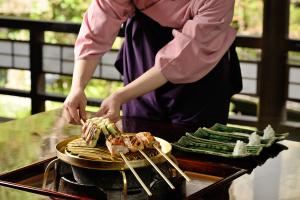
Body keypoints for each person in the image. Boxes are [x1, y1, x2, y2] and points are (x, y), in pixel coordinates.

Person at [63, 0, 242, 127]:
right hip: (143, 58)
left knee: (196, 158)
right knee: (138, 145)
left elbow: (178, 58)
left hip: (201, 72)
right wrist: (77, 87)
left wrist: (120, 96)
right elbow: (99, 24)